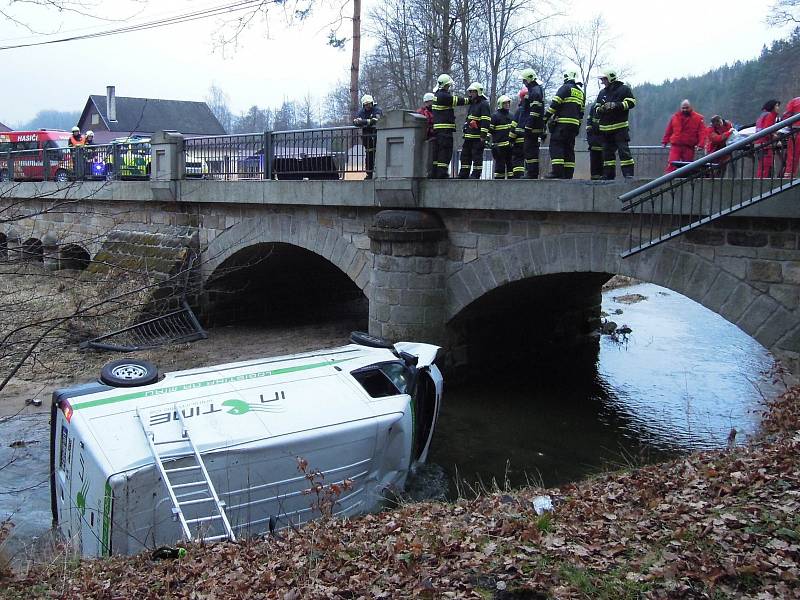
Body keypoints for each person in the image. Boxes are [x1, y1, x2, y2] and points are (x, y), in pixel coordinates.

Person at [595, 69, 636, 179]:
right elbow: (596, 108)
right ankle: (608, 175)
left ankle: (628, 175)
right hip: (605, 130)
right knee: (607, 155)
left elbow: (632, 102)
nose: (602, 81)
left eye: (604, 79)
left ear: (610, 78)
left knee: (624, 153)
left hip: (620, 128)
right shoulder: (602, 93)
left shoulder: (624, 89)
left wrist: (616, 105)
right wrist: (601, 108)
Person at [543, 70, 585, 179]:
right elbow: (581, 113)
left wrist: (545, 118)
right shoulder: (581, 93)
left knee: (556, 146)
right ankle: (568, 174)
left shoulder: (565, 88)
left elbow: (554, 105)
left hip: (562, 124)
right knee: (569, 149)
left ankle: (557, 172)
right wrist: (577, 126)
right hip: (574, 126)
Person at [431, 73, 470, 178]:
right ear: (445, 85)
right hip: (445, 130)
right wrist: (470, 100)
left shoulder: (437, 95)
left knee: (438, 152)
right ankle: (442, 173)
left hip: (439, 130)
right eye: (448, 85)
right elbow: (457, 100)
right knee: (446, 151)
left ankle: (435, 172)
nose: (449, 88)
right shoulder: (443, 96)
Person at [662, 99, 706, 173]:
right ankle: (669, 181)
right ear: (680, 108)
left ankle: (686, 181)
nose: (685, 110)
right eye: (683, 108)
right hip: (676, 145)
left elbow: (702, 132)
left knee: (687, 166)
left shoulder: (698, 118)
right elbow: (669, 130)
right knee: (672, 164)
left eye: (686, 108)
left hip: (689, 146)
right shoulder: (674, 117)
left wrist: (701, 144)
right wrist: (665, 141)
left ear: (690, 107)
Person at [458, 82, 491, 179]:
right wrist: (465, 126)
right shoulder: (473, 104)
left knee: (477, 156)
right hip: (469, 136)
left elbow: (486, 120)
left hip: (477, 137)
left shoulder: (484, 104)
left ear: (478, 92)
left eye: (473, 92)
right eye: (470, 92)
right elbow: (469, 118)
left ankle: (476, 174)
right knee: (465, 156)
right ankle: (463, 174)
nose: (471, 94)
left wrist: (483, 135)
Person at [520, 68, 545, 178]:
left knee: (530, 150)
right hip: (534, 127)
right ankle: (532, 172)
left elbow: (534, 111)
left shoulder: (535, 91)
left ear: (529, 79)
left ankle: (532, 173)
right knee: (531, 150)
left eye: (524, 80)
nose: (523, 83)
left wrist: (528, 125)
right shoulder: (535, 90)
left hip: (532, 127)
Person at [354, 94, 383, 179]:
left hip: (377, 135)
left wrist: (363, 121)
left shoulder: (377, 110)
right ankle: (369, 174)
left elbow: (375, 120)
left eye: (369, 104)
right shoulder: (361, 112)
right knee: (369, 155)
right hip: (367, 137)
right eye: (366, 105)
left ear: (372, 103)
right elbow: (355, 122)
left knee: (379, 154)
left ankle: (380, 174)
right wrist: (367, 121)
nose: (367, 106)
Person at [490, 95, 514, 179]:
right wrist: (489, 143)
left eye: (508, 103)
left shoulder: (512, 116)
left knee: (511, 166)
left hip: (510, 146)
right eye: (505, 103)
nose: (507, 105)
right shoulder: (495, 116)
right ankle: (499, 186)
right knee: (499, 167)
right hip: (499, 147)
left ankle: (512, 185)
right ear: (500, 104)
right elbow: (490, 131)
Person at [755, 99, 780, 178]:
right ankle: (763, 185)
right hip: (765, 145)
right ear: (772, 107)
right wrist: (775, 137)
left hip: (759, 144)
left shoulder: (762, 115)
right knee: (766, 167)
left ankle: (759, 183)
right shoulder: (770, 115)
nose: (778, 108)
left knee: (761, 167)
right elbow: (767, 130)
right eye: (776, 106)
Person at [510, 87, 528, 178]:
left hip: (519, 141)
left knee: (518, 159)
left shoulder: (520, 110)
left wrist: (511, 139)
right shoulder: (535, 109)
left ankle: (518, 178)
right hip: (532, 141)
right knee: (531, 159)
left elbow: (514, 126)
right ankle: (531, 177)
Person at [418, 92, 436, 177]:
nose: (432, 103)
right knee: (427, 157)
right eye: (430, 101)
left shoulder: (436, 111)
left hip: (435, 137)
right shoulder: (421, 112)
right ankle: (428, 173)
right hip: (426, 138)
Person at [781, 96, 800, 177]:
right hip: (796, 132)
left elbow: (786, 118)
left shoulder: (795, 101)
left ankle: (788, 179)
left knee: (792, 156)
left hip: (795, 132)